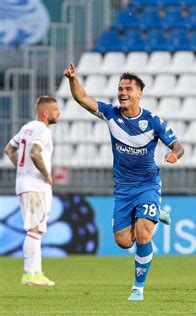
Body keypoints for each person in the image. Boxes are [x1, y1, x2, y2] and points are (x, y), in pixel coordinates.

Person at [64, 63, 184, 301]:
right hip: (123, 188)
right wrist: (72, 79)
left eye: (128, 88)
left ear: (139, 93)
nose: (123, 92)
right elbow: (83, 99)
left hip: (148, 184)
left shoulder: (153, 121)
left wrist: (174, 154)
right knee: (123, 241)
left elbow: (179, 146)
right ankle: (154, 213)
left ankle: (138, 287)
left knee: (143, 234)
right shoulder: (111, 114)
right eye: (120, 88)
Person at [3, 96, 60, 286]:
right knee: (34, 230)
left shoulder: (27, 127)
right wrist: (46, 174)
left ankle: (37, 272)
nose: (58, 113)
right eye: (55, 109)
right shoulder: (43, 130)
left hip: (23, 183)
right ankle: (29, 274)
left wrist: (21, 169)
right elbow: (35, 152)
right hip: (36, 185)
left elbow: (9, 149)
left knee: (36, 229)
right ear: (45, 113)